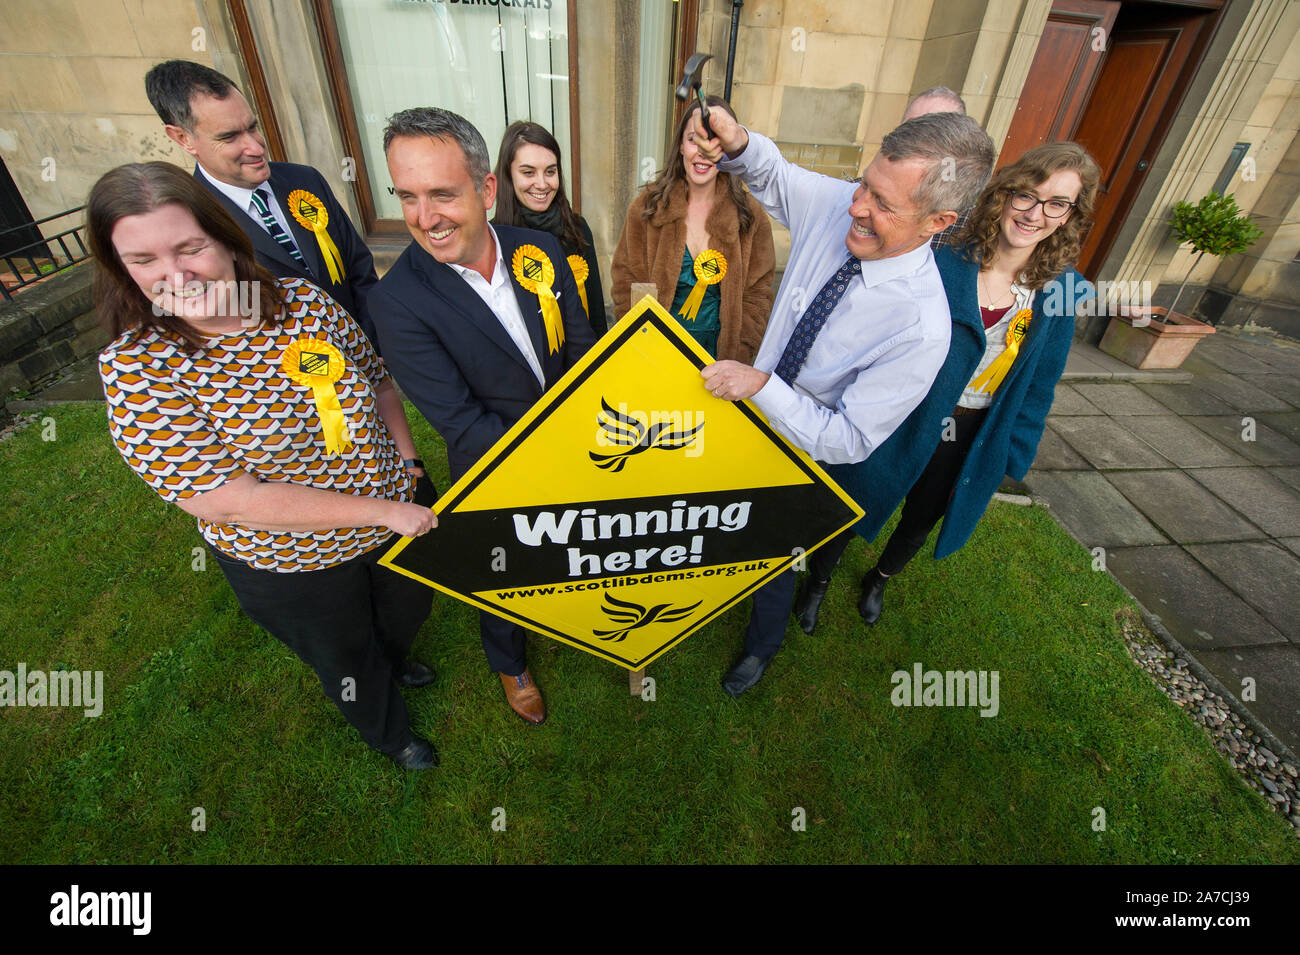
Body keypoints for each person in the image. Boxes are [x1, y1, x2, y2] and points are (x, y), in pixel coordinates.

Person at [89, 161, 442, 770]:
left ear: (225, 236)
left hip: (398, 511)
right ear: (120, 267)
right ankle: (391, 736)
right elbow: (227, 498)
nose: (175, 275)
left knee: (406, 611)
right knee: (345, 657)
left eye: (190, 247)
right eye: (143, 260)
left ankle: (398, 658)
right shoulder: (138, 368)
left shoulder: (303, 302)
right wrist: (387, 511)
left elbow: (378, 381)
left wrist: (408, 462)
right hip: (294, 563)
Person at [691, 108, 995, 696]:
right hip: (736, 419)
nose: (855, 207)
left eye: (884, 204)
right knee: (711, 521)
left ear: (940, 220)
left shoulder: (922, 327)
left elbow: (851, 439)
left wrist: (764, 388)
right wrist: (739, 139)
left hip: (801, 455)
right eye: (864, 184)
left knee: (777, 559)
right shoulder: (846, 205)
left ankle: (760, 648)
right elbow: (776, 174)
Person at [797, 143, 1100, 633]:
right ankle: (818, 581)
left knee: (923, 515)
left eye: (1056, 204)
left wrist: (1011, 457)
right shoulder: (944, 256)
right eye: (1028, 194)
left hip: (973, 428)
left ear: (1068, 216)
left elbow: (1041, 384)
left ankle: (880, 578)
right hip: (907, 409)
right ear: (1006, 192)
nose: (1035, 213)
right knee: (857, 493)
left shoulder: (1063, 290)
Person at [367, 108, 597, 726]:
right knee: (500, 573)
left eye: (443, 194)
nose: (425, 217)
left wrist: (589, 442)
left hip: (578, 444)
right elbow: (461, 422)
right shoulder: (396, 303)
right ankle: (511, 662)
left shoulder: (541, 249)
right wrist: (560, 462)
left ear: (487, 190)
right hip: (493, 467)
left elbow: (580, 353)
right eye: (408, 197)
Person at [144, 60, 382, 345]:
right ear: (183, 138)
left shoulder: (305, 180)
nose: (256, 147)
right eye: (230, 137)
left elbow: (359, 269)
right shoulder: (188, 221)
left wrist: (374, 348)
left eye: (252, 126)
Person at [611, 96, 775, 361]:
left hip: (720, 361)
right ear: (680, 146)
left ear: (728, 148)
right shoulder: (647, 208)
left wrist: (740, 355)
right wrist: (641, 351)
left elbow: (758, 295)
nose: (702, 150)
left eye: (715, 140)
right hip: (655, 357)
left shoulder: (750, 216)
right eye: (693, 139)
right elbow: (625, 283)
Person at [492, 120, 607, 337]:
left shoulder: (578, 229)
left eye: (550, 172)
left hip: (579, 361)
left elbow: (596, 314)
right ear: (508, 175)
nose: (542, 184)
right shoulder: (493, 238)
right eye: (528, 173)